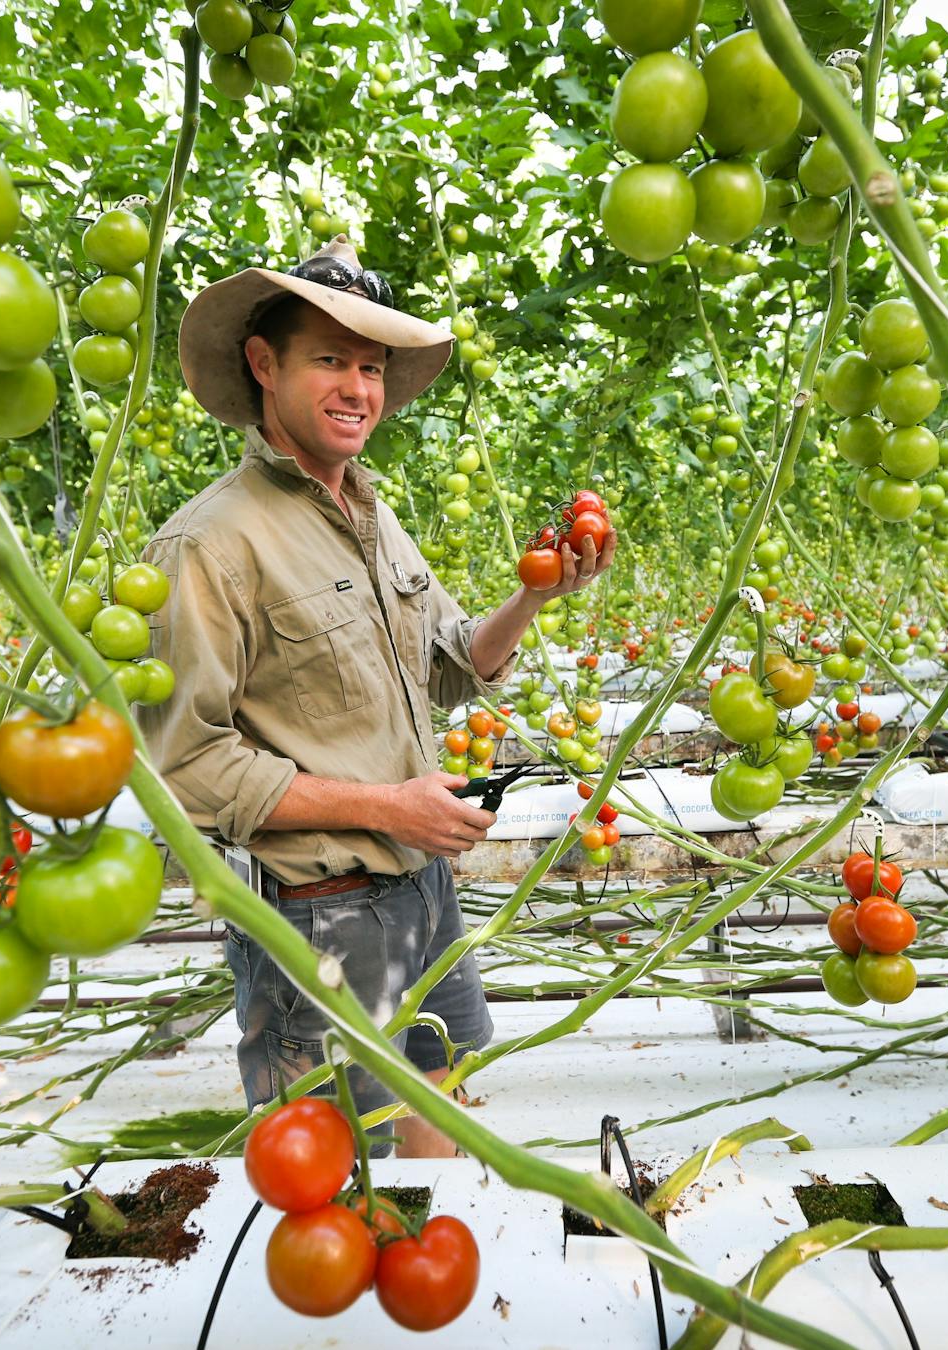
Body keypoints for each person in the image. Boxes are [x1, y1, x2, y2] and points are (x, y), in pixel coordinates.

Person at [141, 237, 616, 1156]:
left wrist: (533, 597)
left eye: (371, 366)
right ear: (263, 363)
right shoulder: (208, 548)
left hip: (419, 888)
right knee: (334, 1171)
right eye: (330, 360)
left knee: (440, 1101)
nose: (359, 387)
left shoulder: (372, 515)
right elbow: (187, 768)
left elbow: (450, 663)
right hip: (321, 912)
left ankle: (447, 1283)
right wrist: (383, 804)